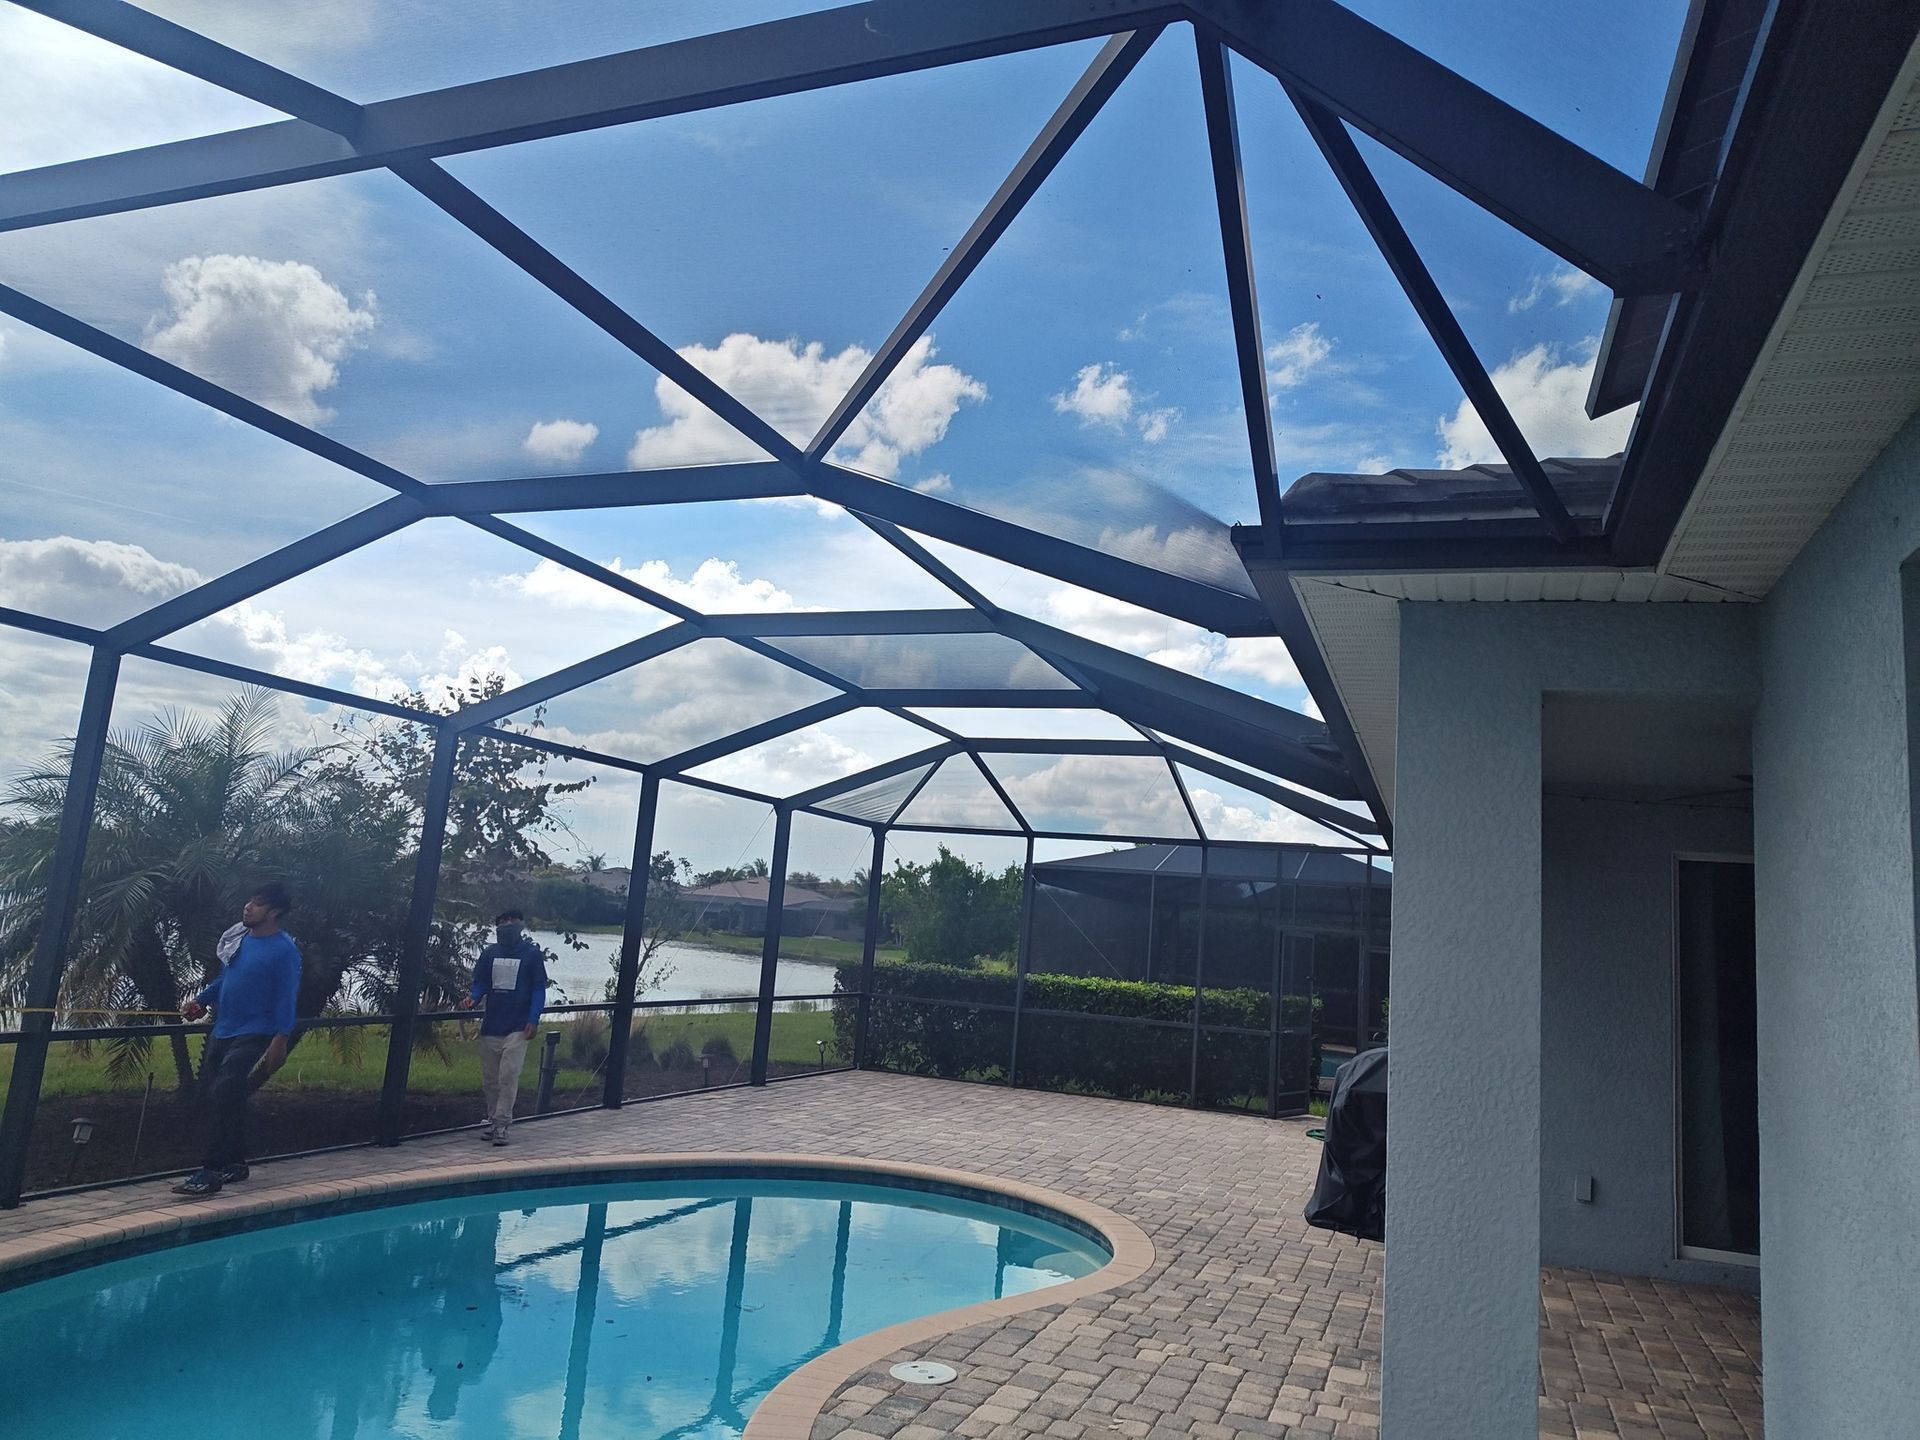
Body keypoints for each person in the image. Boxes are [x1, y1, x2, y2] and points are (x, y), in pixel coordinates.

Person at [172, 883, 301, 1196]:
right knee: (225, 1096)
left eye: (256, 904)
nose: (247, 907)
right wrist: (201, 1000)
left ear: (274, 912)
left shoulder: (285, 950)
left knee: (222, 1093)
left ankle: (209, 1171)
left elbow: (287, 997)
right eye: (249, 900)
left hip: (255, 1032)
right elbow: (226, 978)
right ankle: (235, 1163)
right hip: (223, 1029)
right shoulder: (241, 940)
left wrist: (280, 1040)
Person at [459, 909, 547, 1146]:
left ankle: (502, 1124)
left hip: (518, 1027)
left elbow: (539, 989)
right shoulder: (490, 954)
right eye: (503, 921)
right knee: (490, 1080)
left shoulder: (532, 955)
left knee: (508, 1075)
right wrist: (473, 999)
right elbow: (481, 983)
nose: (508, 924)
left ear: (521, 924)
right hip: (491, 1026)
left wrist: (533, 1019)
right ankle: (492, 1119)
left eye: (513, 920)